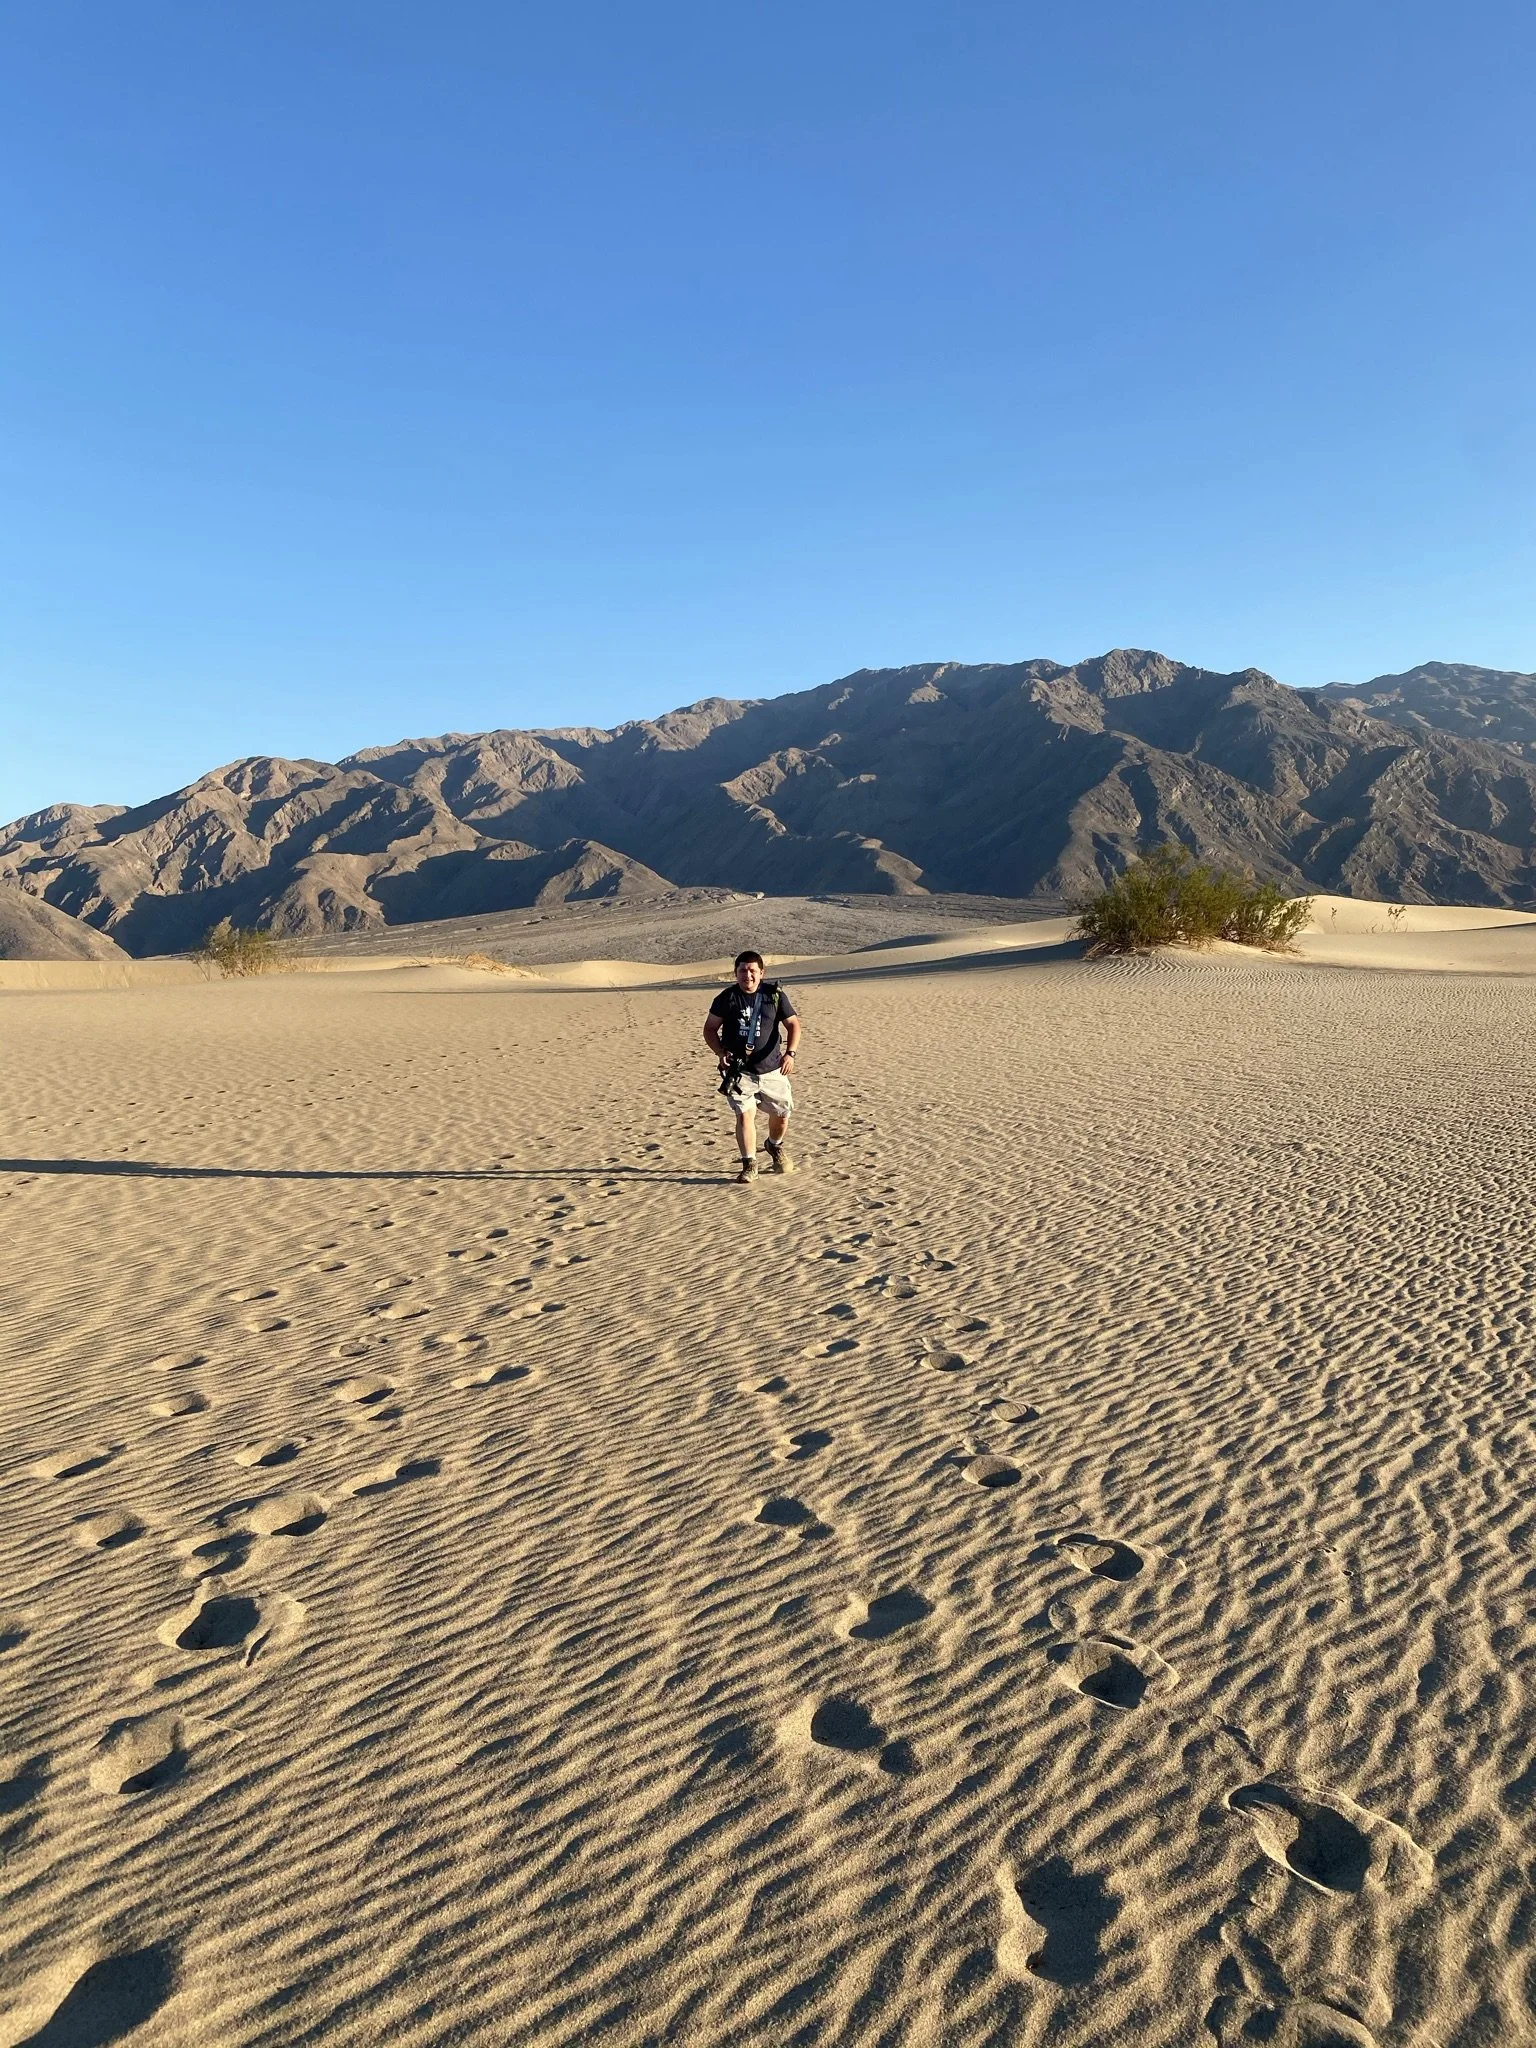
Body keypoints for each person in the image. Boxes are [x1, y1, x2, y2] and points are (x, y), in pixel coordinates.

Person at [704, 950, 801, 1184]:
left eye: (752, 971)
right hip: (740, 1073)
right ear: (735, 973)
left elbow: (793, 1025)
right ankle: (749, 1164)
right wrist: (719, 1052)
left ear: (761, 973)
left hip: (772, 1069)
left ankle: (774, 1146)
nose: (747, 975)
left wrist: (790, 1054)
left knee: (782, 1115)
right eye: (742, 971)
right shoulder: (726, 998)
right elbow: (709, 1029)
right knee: (745, 1116)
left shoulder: (775, 996)